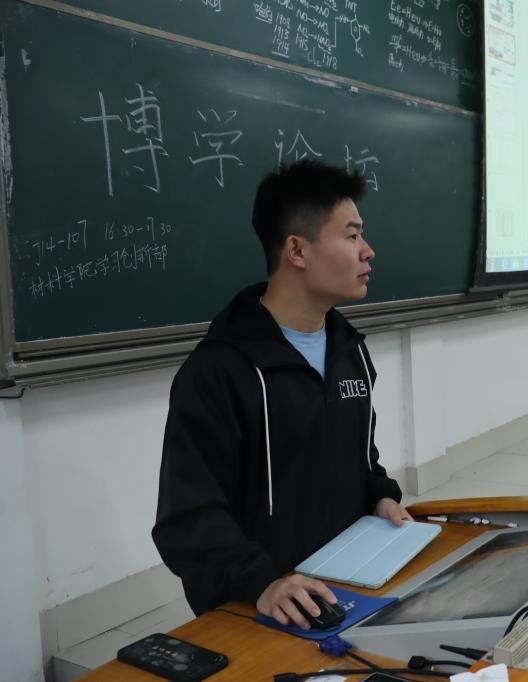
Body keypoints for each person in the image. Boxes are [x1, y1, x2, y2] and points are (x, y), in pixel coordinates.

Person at [152, 160, 410, 630]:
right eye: (352, 235)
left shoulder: (349, 350)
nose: (367, 250)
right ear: (297, 250)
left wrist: (379, 496)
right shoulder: (219, 371)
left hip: (346, 583)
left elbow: (360, 459)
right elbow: (187, 518)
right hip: (263, 604)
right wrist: (263, 582)